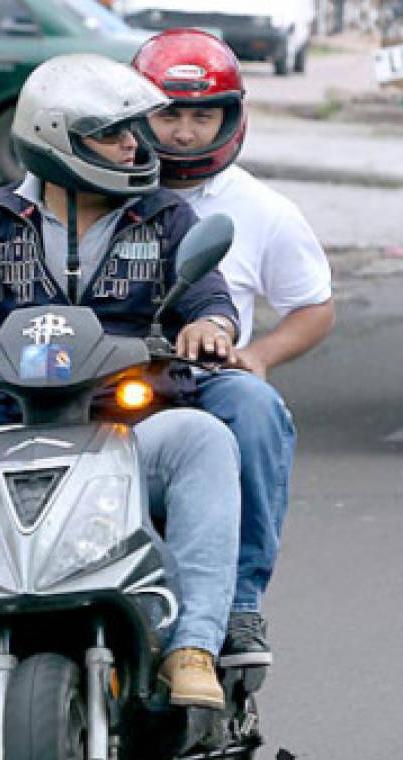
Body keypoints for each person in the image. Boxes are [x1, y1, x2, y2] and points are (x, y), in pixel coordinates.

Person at [0, 54, 242, 734]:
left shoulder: (162, 217)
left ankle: (193, 645)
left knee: (208, 438)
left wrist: (209, 329)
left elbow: (211, 301)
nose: (136, 146)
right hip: (18, 418)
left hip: (138, 423)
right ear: (55, 137)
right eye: (113, 134)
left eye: (135, 131)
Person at [133, 29, 334, 667]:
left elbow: (314, 306)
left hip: (199, 382)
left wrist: (261, 354)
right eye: (168, 114)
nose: (184, 133)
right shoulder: (93, 187)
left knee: (255, 406)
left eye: (201, 115)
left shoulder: (264, 210)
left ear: (231, 117)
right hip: (85, 376)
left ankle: (241, 604)